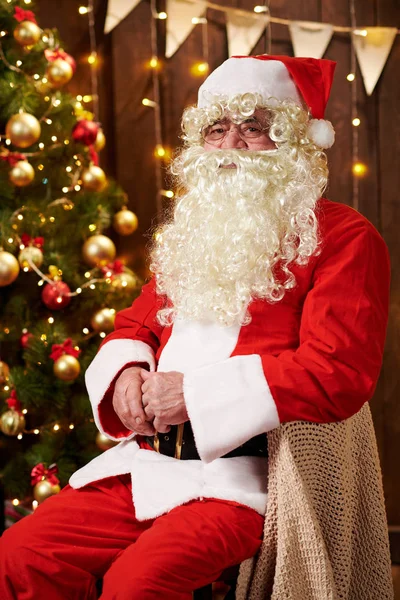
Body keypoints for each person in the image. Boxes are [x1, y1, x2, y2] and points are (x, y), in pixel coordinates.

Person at [0, 55, 391, 599]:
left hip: (250, 483)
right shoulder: (195, 232)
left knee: (138, 585)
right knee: (19, 557)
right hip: (150, 465)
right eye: (217, 129)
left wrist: (195, 395)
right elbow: (135, 325)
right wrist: (127, 375)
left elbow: (338, 371)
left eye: (254, 129)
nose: (230, 148)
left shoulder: (344, 237)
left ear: (295, 143)